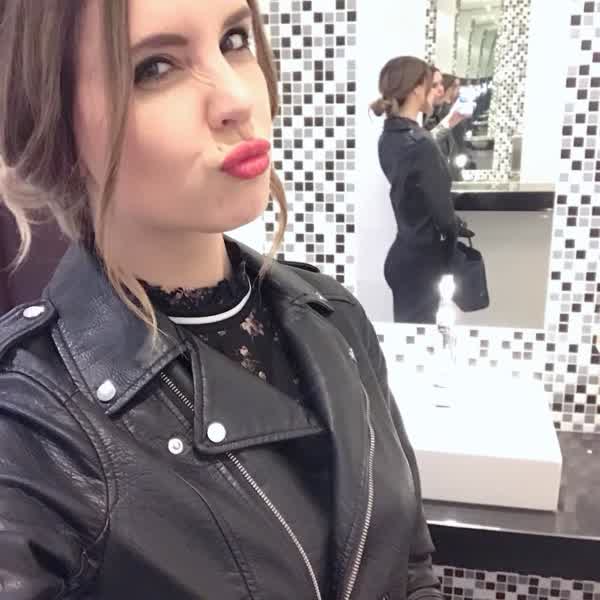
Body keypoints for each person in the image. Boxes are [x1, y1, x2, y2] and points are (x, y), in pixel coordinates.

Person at [0, 2, 444, 599]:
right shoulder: (29, 423)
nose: (237, 98)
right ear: (53, 125)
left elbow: (410, 570)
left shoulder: (335, 317)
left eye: (235, 40)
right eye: (155, 68)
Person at [371, 56, 460, 324]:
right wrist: (453, 250)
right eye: (430, 84)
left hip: (405, 257)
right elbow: (444, 218)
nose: (436, 90)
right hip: (422, 265)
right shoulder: (420, 143)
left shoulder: (388, 137)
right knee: (421, 340)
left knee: (410, 337)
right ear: (417, 89)